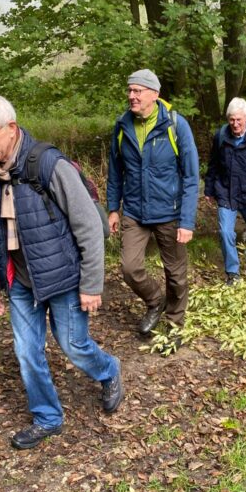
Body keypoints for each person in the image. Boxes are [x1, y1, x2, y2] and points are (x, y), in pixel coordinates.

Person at [0, 93, 123, 450]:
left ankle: (109, 370)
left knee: (73, 345)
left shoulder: (49, 165)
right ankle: (48, 417)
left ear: (10, 128)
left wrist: (91, 285)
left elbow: (89, 227)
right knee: (27, 351)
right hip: (20, 280)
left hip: (64, 276)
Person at [106, 69, 199, 336]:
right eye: (129, 90)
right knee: (130, 268)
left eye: (137, 91)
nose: (131, 96)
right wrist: (113, 208)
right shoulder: (123, 125)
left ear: (154, 94)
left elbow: (191, 176)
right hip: (135, 211)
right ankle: (155, 302)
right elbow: (115, 171)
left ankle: (174, 325)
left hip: (170, 212)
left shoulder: (175, 125)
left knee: (176, 275)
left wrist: (187, 221)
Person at [204, 97, 246, 285]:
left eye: (239, 120)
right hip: (226, 193)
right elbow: (213, 165)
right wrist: (209, 189)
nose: (235, 124)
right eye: (231, 120)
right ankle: (232, 273)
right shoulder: (220, 136)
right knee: (226, 232)